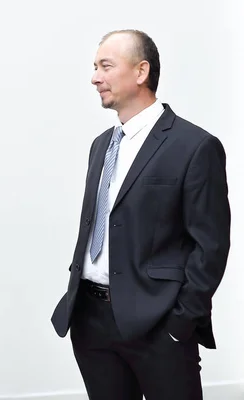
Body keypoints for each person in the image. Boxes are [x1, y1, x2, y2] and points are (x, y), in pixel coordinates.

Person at [51, 30, 230, 400]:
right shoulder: (101, 146)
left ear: (140, 72)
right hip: (92, 323)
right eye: (94, 67)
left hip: (158, 326)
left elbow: (210, 246)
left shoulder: (194, 147)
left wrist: (180, 322)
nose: (94, 77)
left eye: (105, 66)